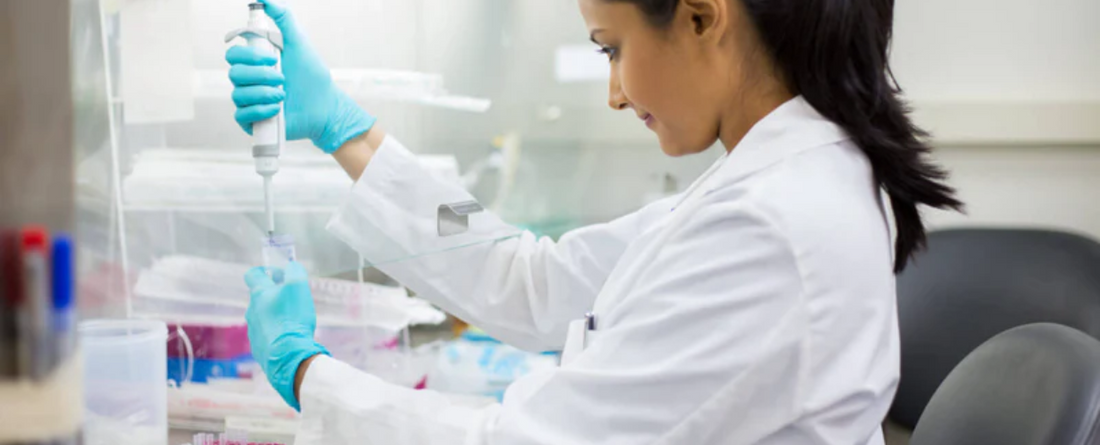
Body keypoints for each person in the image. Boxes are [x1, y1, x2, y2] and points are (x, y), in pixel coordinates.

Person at [231, 0, 962, 443]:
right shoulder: (774, 178)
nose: (614, 92)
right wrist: (349, 134)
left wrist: (306, 373)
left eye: (612, 49)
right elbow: (531, 274)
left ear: (703, 15)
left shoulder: (772, 226)